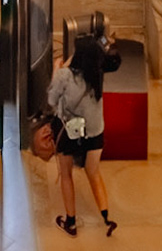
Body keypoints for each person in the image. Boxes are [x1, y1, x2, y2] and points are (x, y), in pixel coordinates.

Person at [49, 34, 118, 236]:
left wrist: (56, 69)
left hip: (70, 131)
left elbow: (52, 100)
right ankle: (106, 217)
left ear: (78, 56)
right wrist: (106, 40)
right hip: (95, 131)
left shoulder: (64, 75)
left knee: (66, 174)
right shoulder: (97, 73)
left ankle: (70, 222)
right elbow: (95, 55)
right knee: (94, 173)